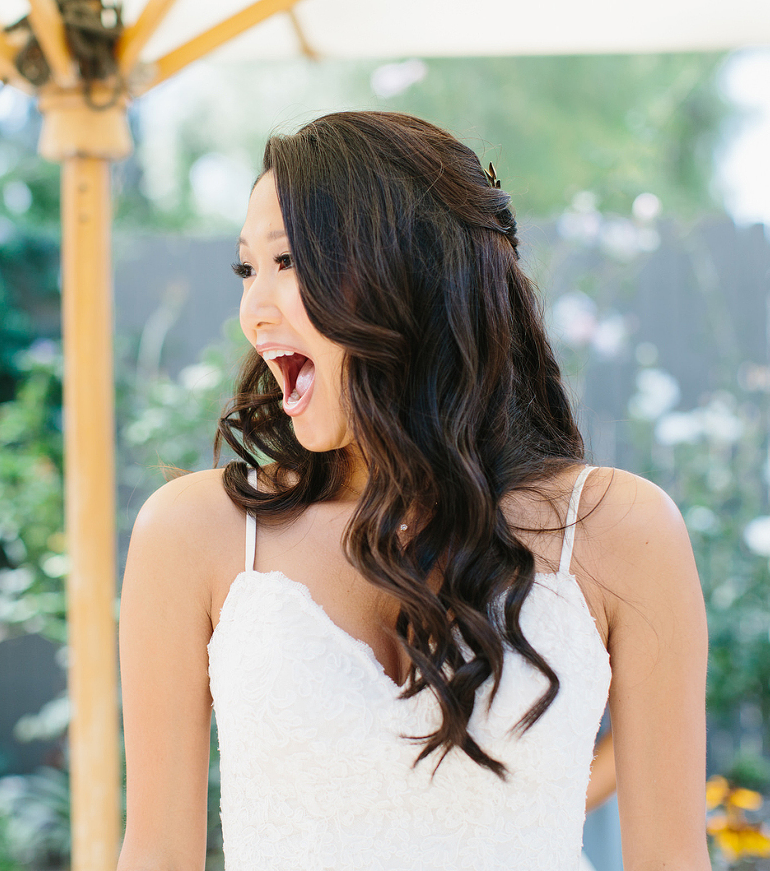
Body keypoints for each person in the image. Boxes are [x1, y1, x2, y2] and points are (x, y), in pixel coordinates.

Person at [117, 111, 708, 871]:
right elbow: (156, 853)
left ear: (411, 273)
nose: (254, 311)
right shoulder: (195, 532)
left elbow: (672, 859)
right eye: (246, 269)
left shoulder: (617, 528)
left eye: (289, 261)